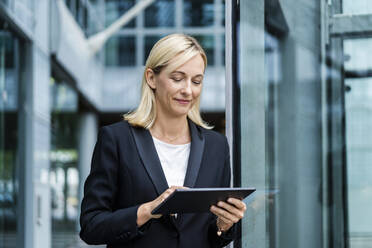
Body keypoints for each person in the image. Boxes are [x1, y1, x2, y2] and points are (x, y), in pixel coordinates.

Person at [79, 34, 247, 248]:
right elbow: (91, 226)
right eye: (177, 78)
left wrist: (224, 224)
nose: (188, 90)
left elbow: (210, 237)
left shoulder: (217, 146)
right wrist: (148, 210)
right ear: (151, 78)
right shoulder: (116, 140)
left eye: (196, 81)